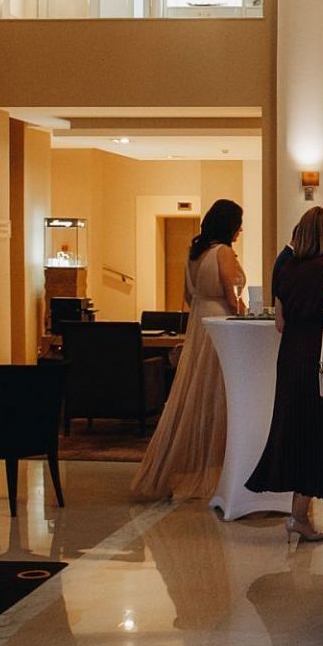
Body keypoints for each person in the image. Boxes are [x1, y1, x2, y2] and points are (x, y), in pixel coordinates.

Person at [247, 206, 323, 541]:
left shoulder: (286, 267)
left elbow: (280, 322)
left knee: (308, 432)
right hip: (320, 361)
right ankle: (307, 514)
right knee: (321, 432)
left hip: (292, 360)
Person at [133, 199, 246, 500]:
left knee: (197, 391)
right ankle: (217, 468)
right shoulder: (222, 253)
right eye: (238, 223)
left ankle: (194, 464)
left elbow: (187, 294)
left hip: (200, 320)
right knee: (218, 394)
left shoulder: (194, 253)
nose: (241, 229)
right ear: (229, 224)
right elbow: (232, 295)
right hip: (220, 324)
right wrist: (248, 316)